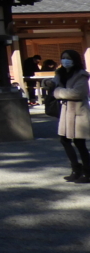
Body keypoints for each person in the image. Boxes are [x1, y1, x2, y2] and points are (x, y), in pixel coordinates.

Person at [51, 49, 90, 183]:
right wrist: (48, 84)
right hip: (66, 111)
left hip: (78, 111)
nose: (65, 60)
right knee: (64, 140)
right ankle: (75, 169)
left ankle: (88, 171)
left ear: (75, 59)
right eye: (63, 58)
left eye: (68, 58)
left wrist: (57, 92)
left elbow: (78, 93)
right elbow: (53, 83)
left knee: (80, 143)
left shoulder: (81, 75)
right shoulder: (60, 73)